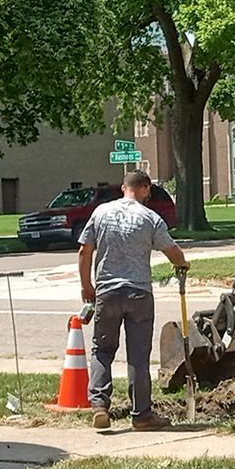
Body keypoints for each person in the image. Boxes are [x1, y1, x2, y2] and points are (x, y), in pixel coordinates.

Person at [77, 171, 192, 430]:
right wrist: (183, 263)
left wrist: (87, 285)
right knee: (138, 355)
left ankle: (99, 406)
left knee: (102, 350)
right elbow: (172, 251)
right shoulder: (150, 218)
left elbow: (85, 250)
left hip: (107, 292)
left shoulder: (101, 213)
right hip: (139, 293)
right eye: (148, 192)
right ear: (144, 188)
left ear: (123, 188)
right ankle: (141, 415)